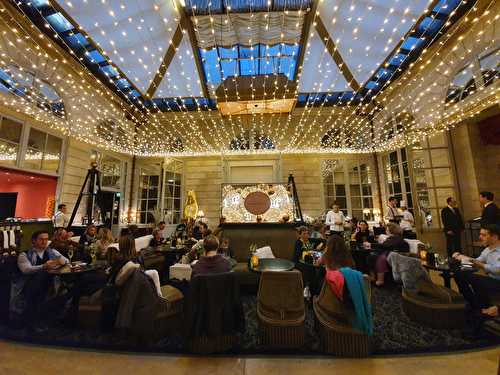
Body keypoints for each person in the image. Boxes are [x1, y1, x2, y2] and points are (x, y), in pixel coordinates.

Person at [10, 231, 69, 329]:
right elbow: (26, 270)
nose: (44, 242)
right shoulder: (24, 255)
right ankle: (34, 322)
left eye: (46, 239)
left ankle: (56, 319)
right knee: (41, 278)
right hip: (28, 286)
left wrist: (61, 262)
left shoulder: (52, 252)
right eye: (41, 239)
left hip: (50, 284)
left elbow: (66, 261)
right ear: (34, 241)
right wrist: (44, 266)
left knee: (67, 288)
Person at [452, 225, 500, 312]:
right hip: (491, 279)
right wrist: (462, 257)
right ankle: (473, 304)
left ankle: (479, 306)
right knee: (458, 274)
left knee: (475, 279)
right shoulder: (488, 250)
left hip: (498, 281)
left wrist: (474, 262)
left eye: (483, 235)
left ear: (495, 237)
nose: (480, 237)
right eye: (480, 234)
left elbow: (497, 270)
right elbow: (477, 261)